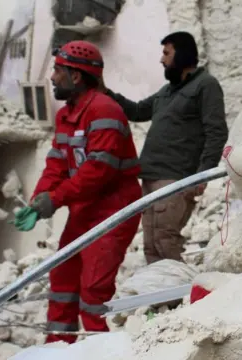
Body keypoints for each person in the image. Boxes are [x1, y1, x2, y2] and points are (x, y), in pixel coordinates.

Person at [16, 40, 142, 344]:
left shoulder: (105, 111)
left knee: (93, 290)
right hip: (85, 210)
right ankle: (58, 348)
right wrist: (39, 199)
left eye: (58, 70)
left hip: (114, 211)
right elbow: (56, 165)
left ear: (76, 76)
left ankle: (97, 348)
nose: (52, 77)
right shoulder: (66, 115)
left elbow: (98, 172)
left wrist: (55, 199)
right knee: (62, 278)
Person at [101, 31, 228, 264]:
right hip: (150, 178)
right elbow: (138, 111)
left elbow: (216, 132)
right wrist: (106, 93)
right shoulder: (166, 92)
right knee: (151, 245)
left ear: (182, 55)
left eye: (166, 53)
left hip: (175, 179)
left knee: (164, 240)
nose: (162, 60)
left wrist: (202, 176)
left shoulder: (205, 85)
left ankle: (183, 295)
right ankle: (164, 300)